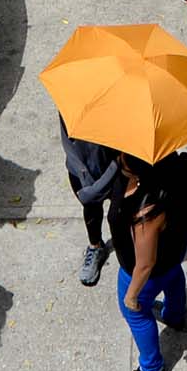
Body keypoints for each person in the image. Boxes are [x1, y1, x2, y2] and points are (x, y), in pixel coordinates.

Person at [109, 152, 187, 371]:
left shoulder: (147, 208)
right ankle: (175, 315)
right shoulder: (171, 164)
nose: (117, 157)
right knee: (175, 277)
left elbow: (145, 264)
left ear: (135, 171)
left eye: (121, 157)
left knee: (135, 314)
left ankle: (152, 369)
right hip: (173, 254)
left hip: (145, 272)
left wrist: (132, 295)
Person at [60, 116, 119, 286]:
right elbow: (69, 147)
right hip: (83, 173)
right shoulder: (71, 103)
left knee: (119, 214)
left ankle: (126, 245)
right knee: (92, 210)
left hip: (118, 169)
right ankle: (96, 246)